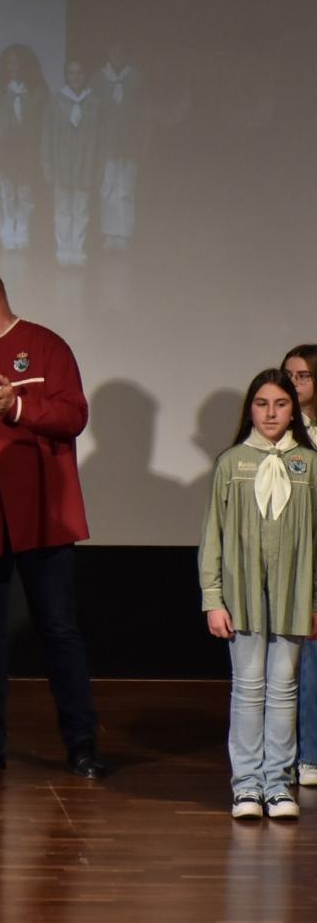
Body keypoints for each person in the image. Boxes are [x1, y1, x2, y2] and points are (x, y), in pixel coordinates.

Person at [0, 259, 106, 778]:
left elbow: (74, 415)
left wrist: (16, 407)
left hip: (42, 514)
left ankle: (82, 744)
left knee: (58, 629)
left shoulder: (46, 346)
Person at [199, 369, 317, 819]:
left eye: (281, 404)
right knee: (248, 689)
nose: (271, 413)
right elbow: (213, 535)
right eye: (262, 403)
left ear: (293, 410)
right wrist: (213, 599)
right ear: (250, 408)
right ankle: (247, 786)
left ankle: (278, 784)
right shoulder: (232, 463)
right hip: (242, 594)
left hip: (294, 593)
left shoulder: (308, 464)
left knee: (284, 689)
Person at [281, 345, 317, 788]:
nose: (293, 383)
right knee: (299, 656)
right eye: (288, 375)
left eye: (303, 376)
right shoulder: (281, 431)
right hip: (291, 553)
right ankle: (302, 755)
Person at [0, 44, 47, 252]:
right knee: (6, 194)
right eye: (9, 63)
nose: (13, 67)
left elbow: (43, 126)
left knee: (25, 195)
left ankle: (23, 233)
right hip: (5, 152)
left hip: (28, 153)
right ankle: (7, 234)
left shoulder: (38, 93)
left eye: (17, 63)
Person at [41, 60, 98, 267]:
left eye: (79, 72)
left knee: (81, 210)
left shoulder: (94, 102)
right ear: (66, 75)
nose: (75, 77)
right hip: (61, 164)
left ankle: (78, 250)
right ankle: (63, 250)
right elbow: (47, 135)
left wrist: (96, 165)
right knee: (62, 210)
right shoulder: (56, 101)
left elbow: (99, 136)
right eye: (71, 73)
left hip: (84, 163)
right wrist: (47, 164)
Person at [92, 44, 143, 251]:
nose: (118, 55)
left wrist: (136, 142)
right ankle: (109, 233)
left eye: (121, 51)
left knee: (126, 191)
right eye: (114, 51)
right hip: (107, 146)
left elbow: (141, 113)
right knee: (108, 190)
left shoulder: (136, 78)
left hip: (130, 146)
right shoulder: (98, 79)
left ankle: (124, 234)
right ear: (109, 53)